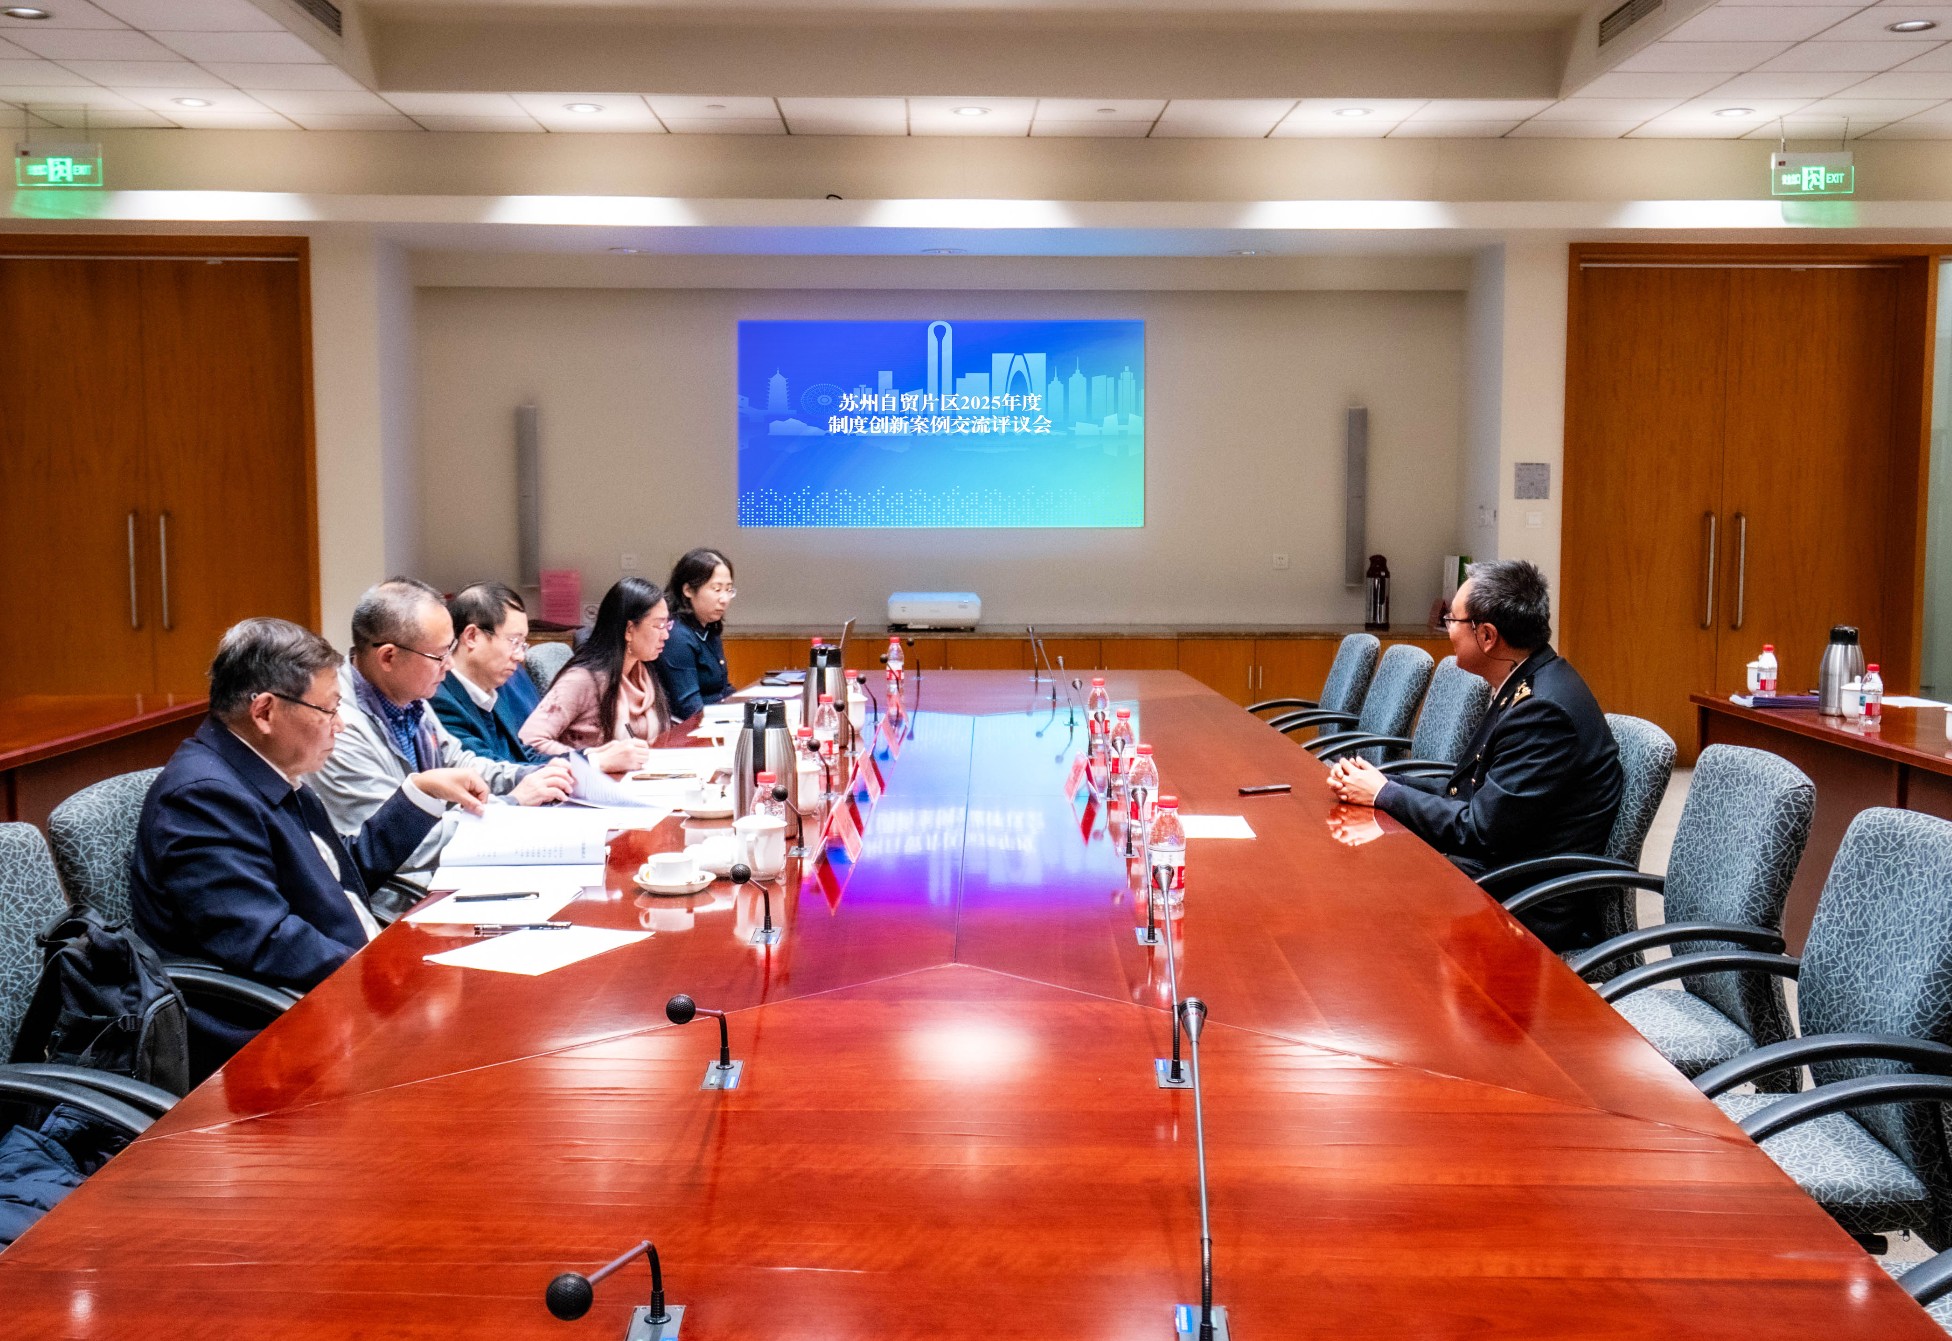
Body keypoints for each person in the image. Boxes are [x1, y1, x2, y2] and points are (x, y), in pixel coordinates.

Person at [130, 618, 489, 1065]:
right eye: (329, 710)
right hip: (276, 1037)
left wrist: (419, 794)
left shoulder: (266, 768)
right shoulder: (203, 798)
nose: (341, 725)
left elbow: (334, 878)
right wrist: (390, 969)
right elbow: (265, 940)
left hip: (336, 995)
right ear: (264, 712)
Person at [1326, 559, 1623, 952]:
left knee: (1364, 894)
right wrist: (1384, 782)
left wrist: (1384, 794)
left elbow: (1479, 830)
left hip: (1522, 904)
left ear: (1486, 636)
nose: (1447, 628)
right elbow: (1469, 793)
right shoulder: (1528, 680)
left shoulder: (1543, 711)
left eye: (1452, 619)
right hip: (1499, 870)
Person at [311, 578, 574, 910]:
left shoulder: (410, 698)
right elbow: (400, 845)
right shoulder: (341, 728)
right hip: (397, 901)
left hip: (444, 874)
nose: (449, 665)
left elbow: (460, 763)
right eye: (438, 655)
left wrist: (528, 777)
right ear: (388, 657)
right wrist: (512, 804)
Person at [521, 576, 672, 772]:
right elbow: (530, 742)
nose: (666, 635)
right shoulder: (582, 679)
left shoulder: (642, 673)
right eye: (659, 626)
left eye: (667, 625)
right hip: (589, 785)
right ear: (629, 630)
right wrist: (593, 760)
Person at [431, 581, 545, 765]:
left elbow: (524, 756)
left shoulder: (494, 686)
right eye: (514, 641)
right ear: (472, 636)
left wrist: (587, 758)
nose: (520, 656)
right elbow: (487, 769)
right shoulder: (440, 700)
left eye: (522, 644)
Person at [655, 547, 736, 721]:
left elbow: (724, 689)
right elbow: (689, 708)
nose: (724, 599)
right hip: (690, 728)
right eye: (716, 589)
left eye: (729, 590)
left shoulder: (708, 627)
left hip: (715, 720)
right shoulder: (676, 635)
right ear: (688, 590)